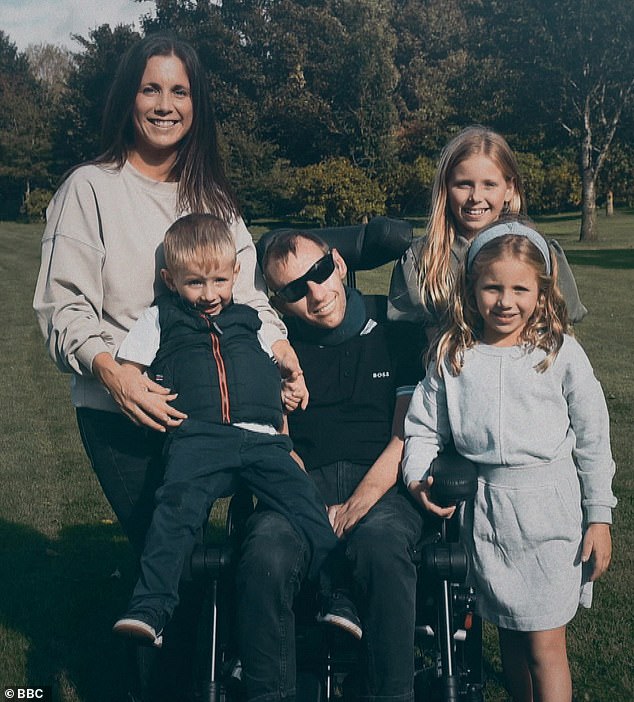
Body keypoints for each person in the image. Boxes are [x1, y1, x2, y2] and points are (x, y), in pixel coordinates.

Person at [33, 33, 305, 702]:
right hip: (126, 413)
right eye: (150, 89)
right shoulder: (90, 189)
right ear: (128, 99)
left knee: (257, 552)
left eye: (179, 91)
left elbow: (249, 298)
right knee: (172, 564)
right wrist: (114, 374)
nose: (164, 104)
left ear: (196, 103)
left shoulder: (210, 194)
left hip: (229, 412)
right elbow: (61, 308)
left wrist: (280, 349)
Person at [402, 217, 617, 702]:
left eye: (520, 289)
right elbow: (422, 424)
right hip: (489, 515)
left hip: (549, 513)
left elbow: (592, 436)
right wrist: (417, 473)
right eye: (492, 287)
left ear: (541, 293)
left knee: (544, 646)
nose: (505, 301)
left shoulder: (558, 353)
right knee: (511, 640)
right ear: (472, 289)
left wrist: (599, 516)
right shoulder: (454, 355)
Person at [111, 213, 348, 647]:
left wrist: (287, 385)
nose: (209, 295)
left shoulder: (251, 321)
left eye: (219, 281)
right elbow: (130, 371)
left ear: (236, 274)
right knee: (175, 509)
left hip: (262, 437)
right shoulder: (161, 318)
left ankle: (338, 595)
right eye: (194, 283)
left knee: (304, 503)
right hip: (198, 438)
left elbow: (266, 367)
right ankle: (151, 606)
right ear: (169, 279)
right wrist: (149, 391)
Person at [236, 229, 426, 702]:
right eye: (295, 290)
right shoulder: (276, 354)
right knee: (265, 553)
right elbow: (280, 441)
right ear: (278, 303)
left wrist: (356, 505)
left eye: (319, 273)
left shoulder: (396, 332)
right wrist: (310, 505)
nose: (316, 295)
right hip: (298, 482)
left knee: (381, 547)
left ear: (338, 263)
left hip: (381, 482)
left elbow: (403, 438)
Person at [388, 125, 587, 339]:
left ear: (509, 188)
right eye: (464, 185)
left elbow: (562, 328)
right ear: (446, 188)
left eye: (489, 184)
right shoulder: (421, 259)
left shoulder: (538, 254)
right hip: (450, 369)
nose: (475, 196)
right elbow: (409, 344)